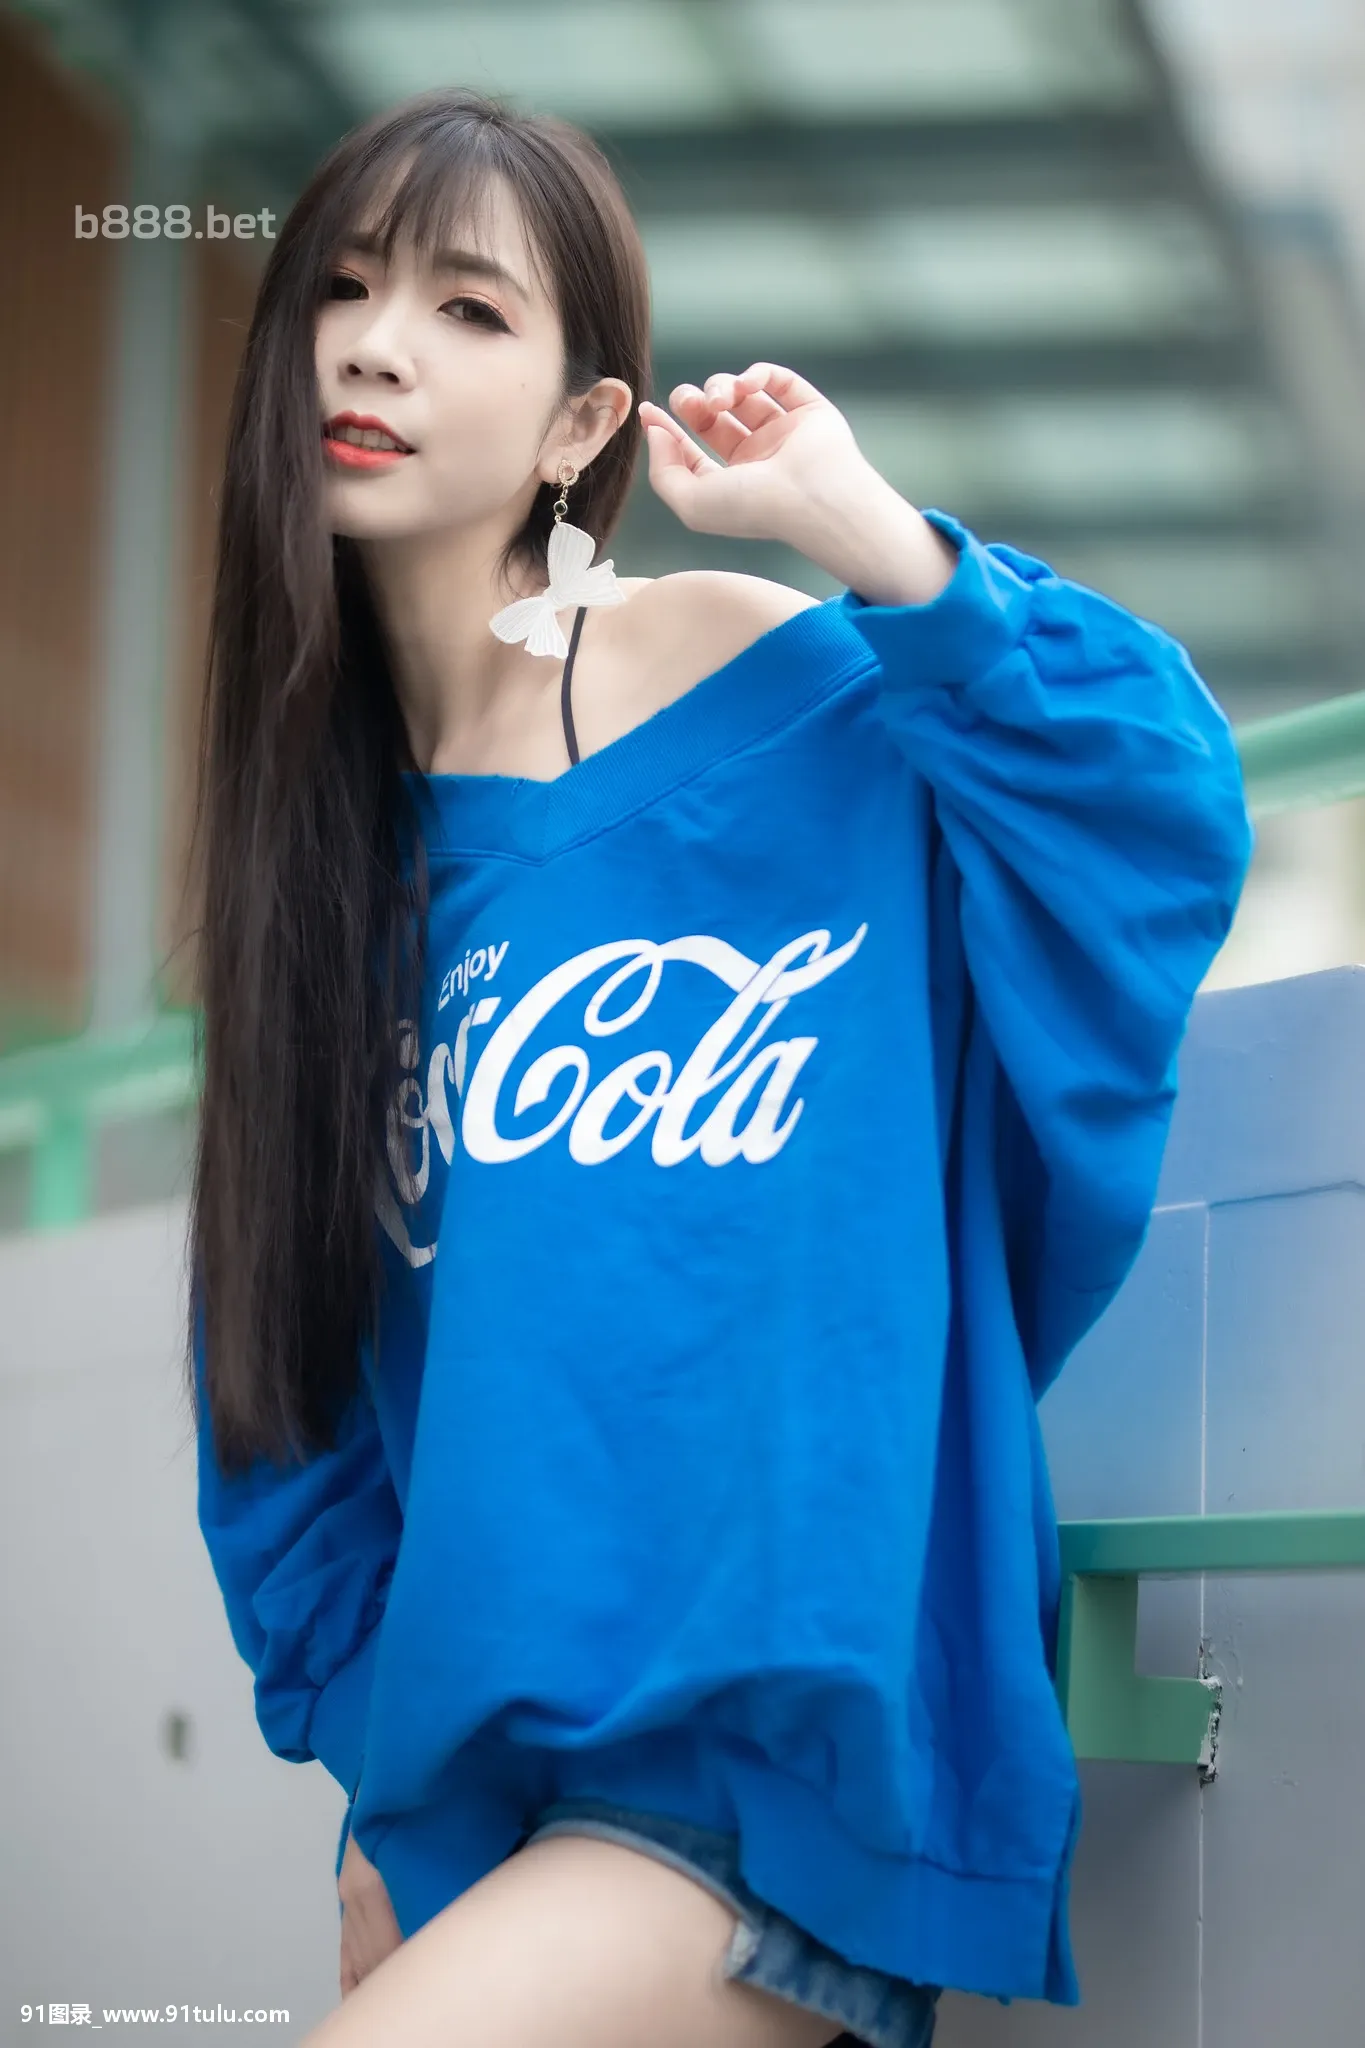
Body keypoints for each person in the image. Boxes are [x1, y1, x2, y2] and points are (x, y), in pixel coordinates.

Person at [185, 84, 1253, 2048]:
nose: (376, 345)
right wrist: (375, 1770)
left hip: (772, 1776)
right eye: (339, 288)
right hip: (488, 1805)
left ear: (582, 424)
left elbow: (1155, 804)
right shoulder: (318, 874)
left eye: (468, 309)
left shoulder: (739, 675)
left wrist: (869, 536)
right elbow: (281, 1411)